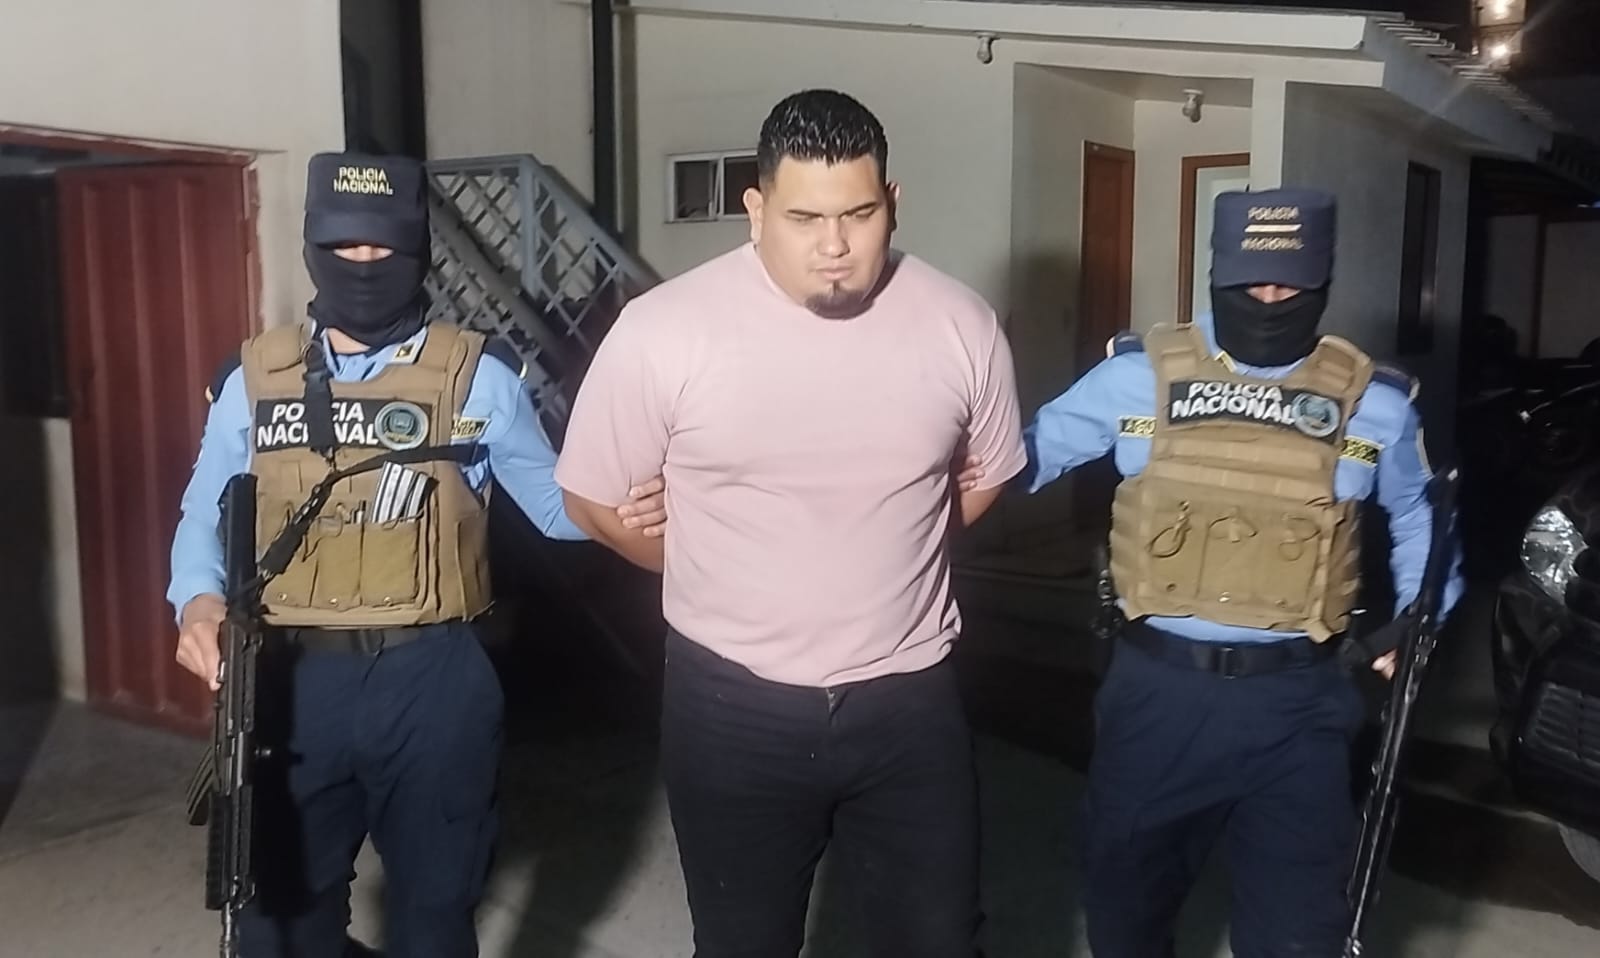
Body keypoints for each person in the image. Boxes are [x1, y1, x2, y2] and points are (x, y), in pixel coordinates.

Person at [553, 89, 1026, 958]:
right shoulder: (664, 331)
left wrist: (885, 542)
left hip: (910, 704)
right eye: (805, 218)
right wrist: (712, 561)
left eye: (859, 214)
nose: (834, 245)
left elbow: (987, 475)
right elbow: (591, 498)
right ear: (756, 207)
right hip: (731, 706)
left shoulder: (962, 324)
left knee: (941, 941)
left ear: (893, 203)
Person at [166, 151, 670, 958]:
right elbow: (205, 509)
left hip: (435, 679)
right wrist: (198, 600)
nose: (364, 263)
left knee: (435, 915)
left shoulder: (481, 377)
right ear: (313, 248)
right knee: (278, 924)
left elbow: (556, 507)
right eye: (344, 247)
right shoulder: (253, 379)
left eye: (385, 247)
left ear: (418, 251)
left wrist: (634, 503)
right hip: (293, 680)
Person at [1023, 187, 1465, 957]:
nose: (1268, 300)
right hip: (1158, 696)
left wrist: (1419, 620)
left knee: (1299, 935)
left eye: (1290, 285)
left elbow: (1421, 512)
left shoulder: (1376, 403)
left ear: (1322, 282)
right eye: (1250, 283)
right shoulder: (1137, 377)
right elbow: (1016, 458)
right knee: (1124, 916)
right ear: (1216, 276)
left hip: (1300, 705)